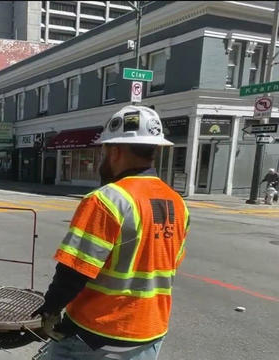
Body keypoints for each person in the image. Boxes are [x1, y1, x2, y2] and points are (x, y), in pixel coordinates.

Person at [33, 105, 190, 359]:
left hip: (98, 332)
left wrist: (50, 309)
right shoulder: (177, 203)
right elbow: (169, 262)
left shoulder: (107, 199)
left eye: (103, 150)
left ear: (115, 150)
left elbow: (73, 270)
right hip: (150, 331)